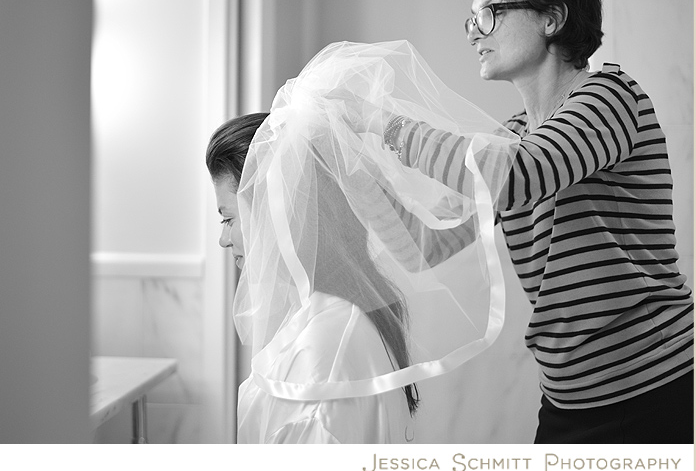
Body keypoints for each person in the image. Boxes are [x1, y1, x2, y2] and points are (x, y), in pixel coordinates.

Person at [380, 0, 693, 443]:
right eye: (472, 20)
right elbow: (423, 245)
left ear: (552, 18)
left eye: (491, 13)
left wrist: (388, 127)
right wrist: (354, 168)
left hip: (651, 383)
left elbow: (521, 176)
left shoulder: (611, 96)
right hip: (567, 396)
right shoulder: (512, 138)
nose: (475, 33)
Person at [206, 41, 521, 444]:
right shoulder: (342, 318)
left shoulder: (323, 354)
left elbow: (514, 174)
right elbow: (418, 242)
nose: (222, 238)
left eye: (228, 218)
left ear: (275, 212)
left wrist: (375, 122)